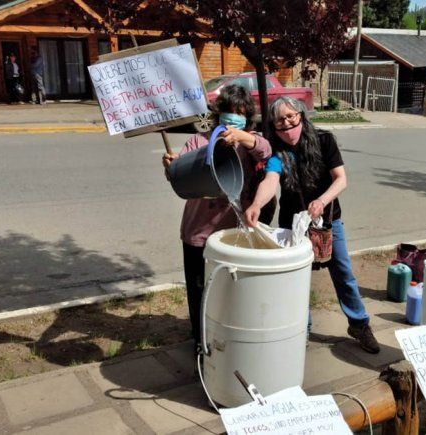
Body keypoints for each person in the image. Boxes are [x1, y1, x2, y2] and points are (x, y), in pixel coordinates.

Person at [244, 96, 380, 354]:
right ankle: (301, 329)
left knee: (343, 274)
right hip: (292, 225)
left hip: (328, 221)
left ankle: (359, 324)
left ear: (300, 115)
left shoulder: (324, 140)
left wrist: (321, 200)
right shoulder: (276, 150)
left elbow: (340, 179)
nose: (286, 124)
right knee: (297, 279)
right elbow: (271, 180)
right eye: (279, 120)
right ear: (273, 125)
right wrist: (257, 205)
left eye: (290, 116)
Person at [162, 84, 271, 355]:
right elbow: (180, 180)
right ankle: (200, 342)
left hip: (234, 236)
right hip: (198, 234)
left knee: (231, 291)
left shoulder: (250, 142)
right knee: (199, 291)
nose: (233, 117)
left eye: (240, 113)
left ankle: (229, 342)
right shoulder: (199, 141)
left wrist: (242, 137)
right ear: (218, 113)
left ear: (247, 117)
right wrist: (172, 167)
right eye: (229, 111)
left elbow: (266, 151)